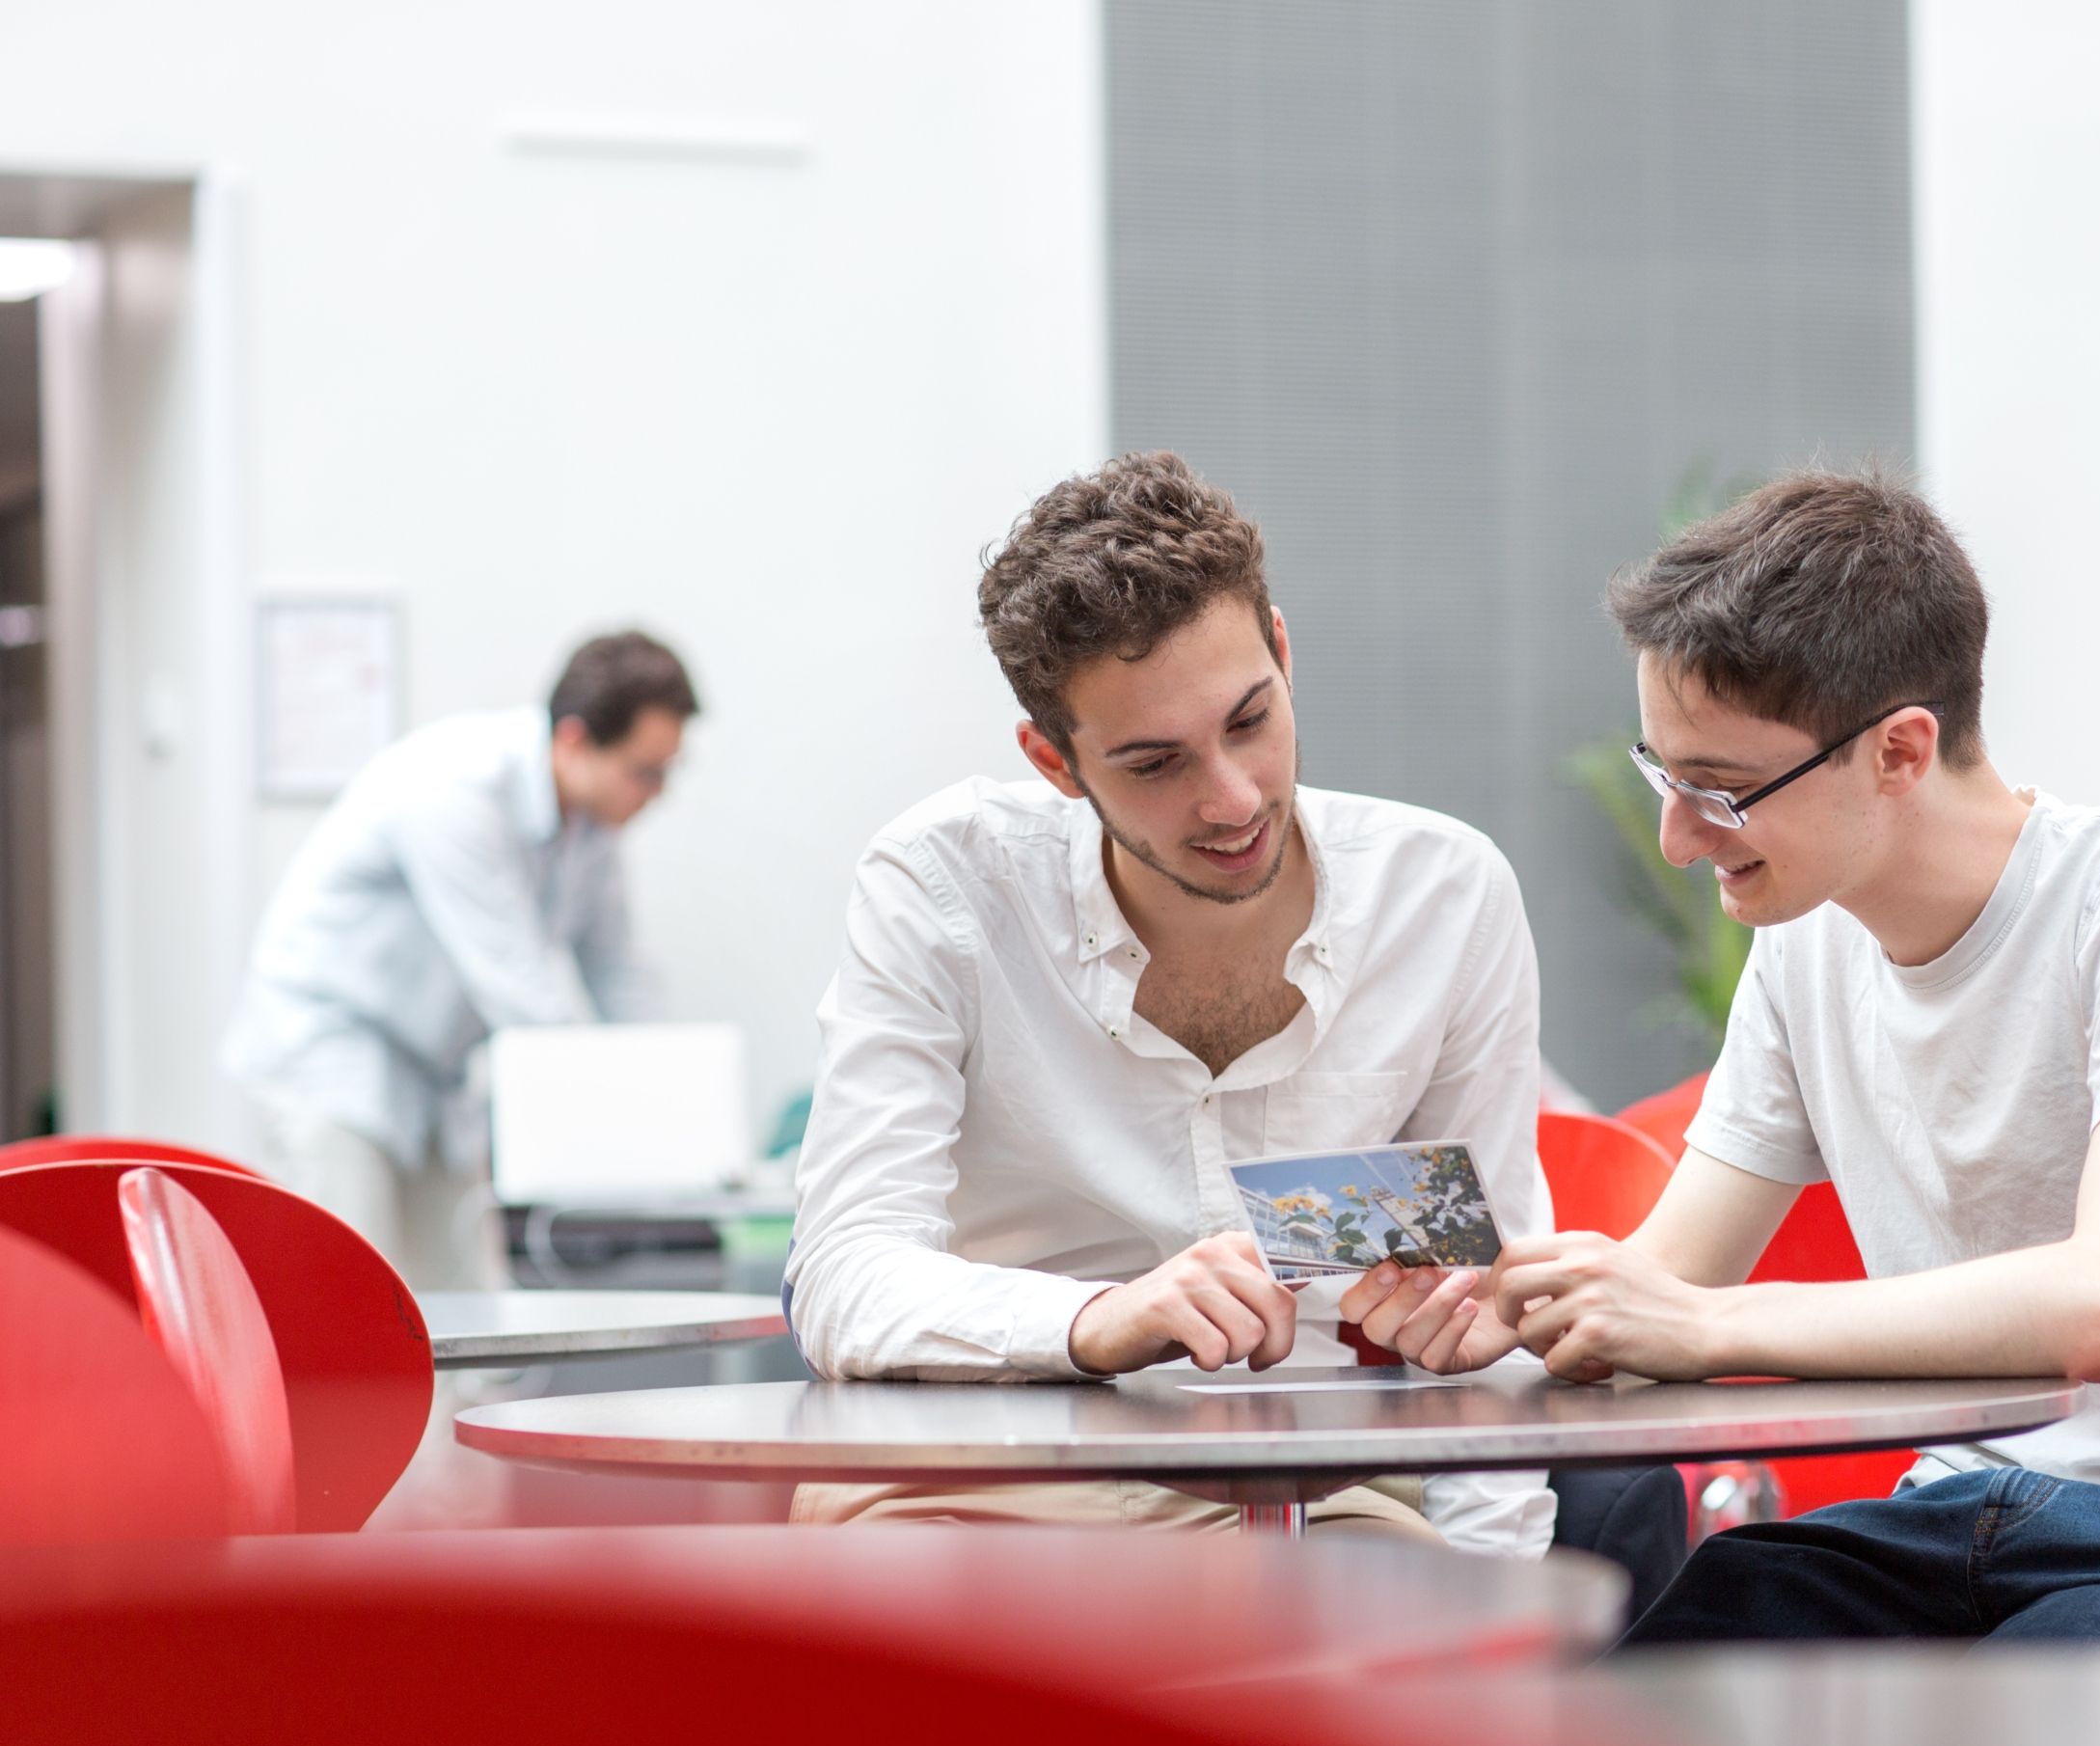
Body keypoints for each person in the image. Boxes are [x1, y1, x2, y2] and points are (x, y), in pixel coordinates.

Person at [1361, 470, 2100, 1646]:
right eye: (1666, 774)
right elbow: (1672, 1283)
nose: (1677, 836)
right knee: (1654, 1707)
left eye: (1723, 790)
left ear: (1902, 749)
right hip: (1951, 1521)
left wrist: (1704, 1327)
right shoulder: (1806, 944)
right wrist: (1528, 1308)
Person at [783, 452, 1555, 1556]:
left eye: (1251, 718)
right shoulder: (945, 885)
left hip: (1324, 1491)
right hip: (991, 1474)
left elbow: (1491, 1308)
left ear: (1283, 653)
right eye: (1154, 763)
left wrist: (1501, 1593)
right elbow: (848, 1275)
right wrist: (1099, 1320)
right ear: (1056, 762)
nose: (1232, 798)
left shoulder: (1443, 893)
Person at [224, 631, 698, 1292]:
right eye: (644, 771)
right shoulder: (453, 787)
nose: (657, 793)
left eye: (668, 771)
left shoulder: (594, 828)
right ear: (573, 740)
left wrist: (686, 1106)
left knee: (468, 1307)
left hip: (432, 1075)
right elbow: (520, 989)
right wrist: (626, 1116)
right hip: (330, 1054)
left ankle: (462, 1402)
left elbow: (620, 974)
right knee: (349, 1304)